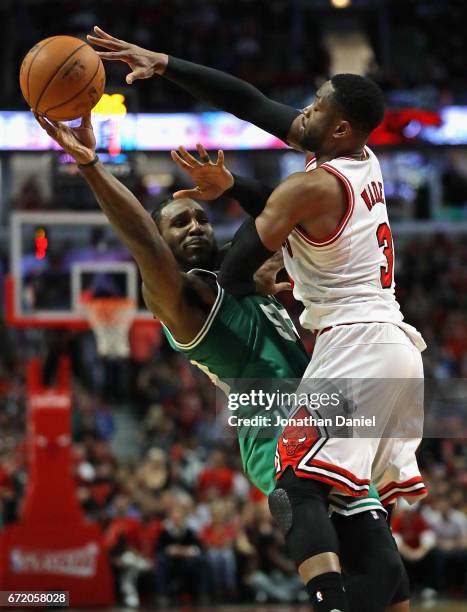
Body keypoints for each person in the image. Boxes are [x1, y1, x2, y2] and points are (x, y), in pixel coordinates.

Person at [86, 29, 427, 611]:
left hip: (346, 374)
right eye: (180, 222)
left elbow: (266, 176)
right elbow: (148, 240)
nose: (194, 226)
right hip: (285, 407)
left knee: (384, 565)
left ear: (340, 128)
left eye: (200, 218)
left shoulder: (274, 245)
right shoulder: (191, 298)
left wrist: (255, 244)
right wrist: (92, 164)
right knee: (355, 538)